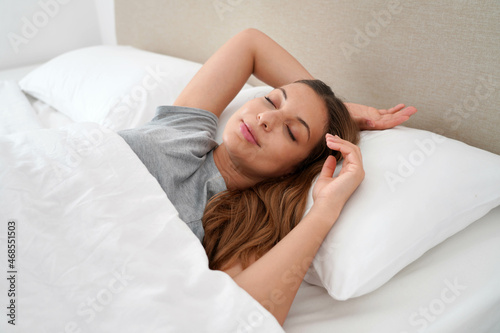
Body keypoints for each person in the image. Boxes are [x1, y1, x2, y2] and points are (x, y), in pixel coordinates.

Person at [119, 28, 416, 325]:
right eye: (272, 101)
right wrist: (339, 107)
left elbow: (244, 317)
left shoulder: (236, 226)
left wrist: (325, 210)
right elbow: (250, 44)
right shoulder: (185, 126)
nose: (266, 119)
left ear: (293, 169)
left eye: (291, 131)